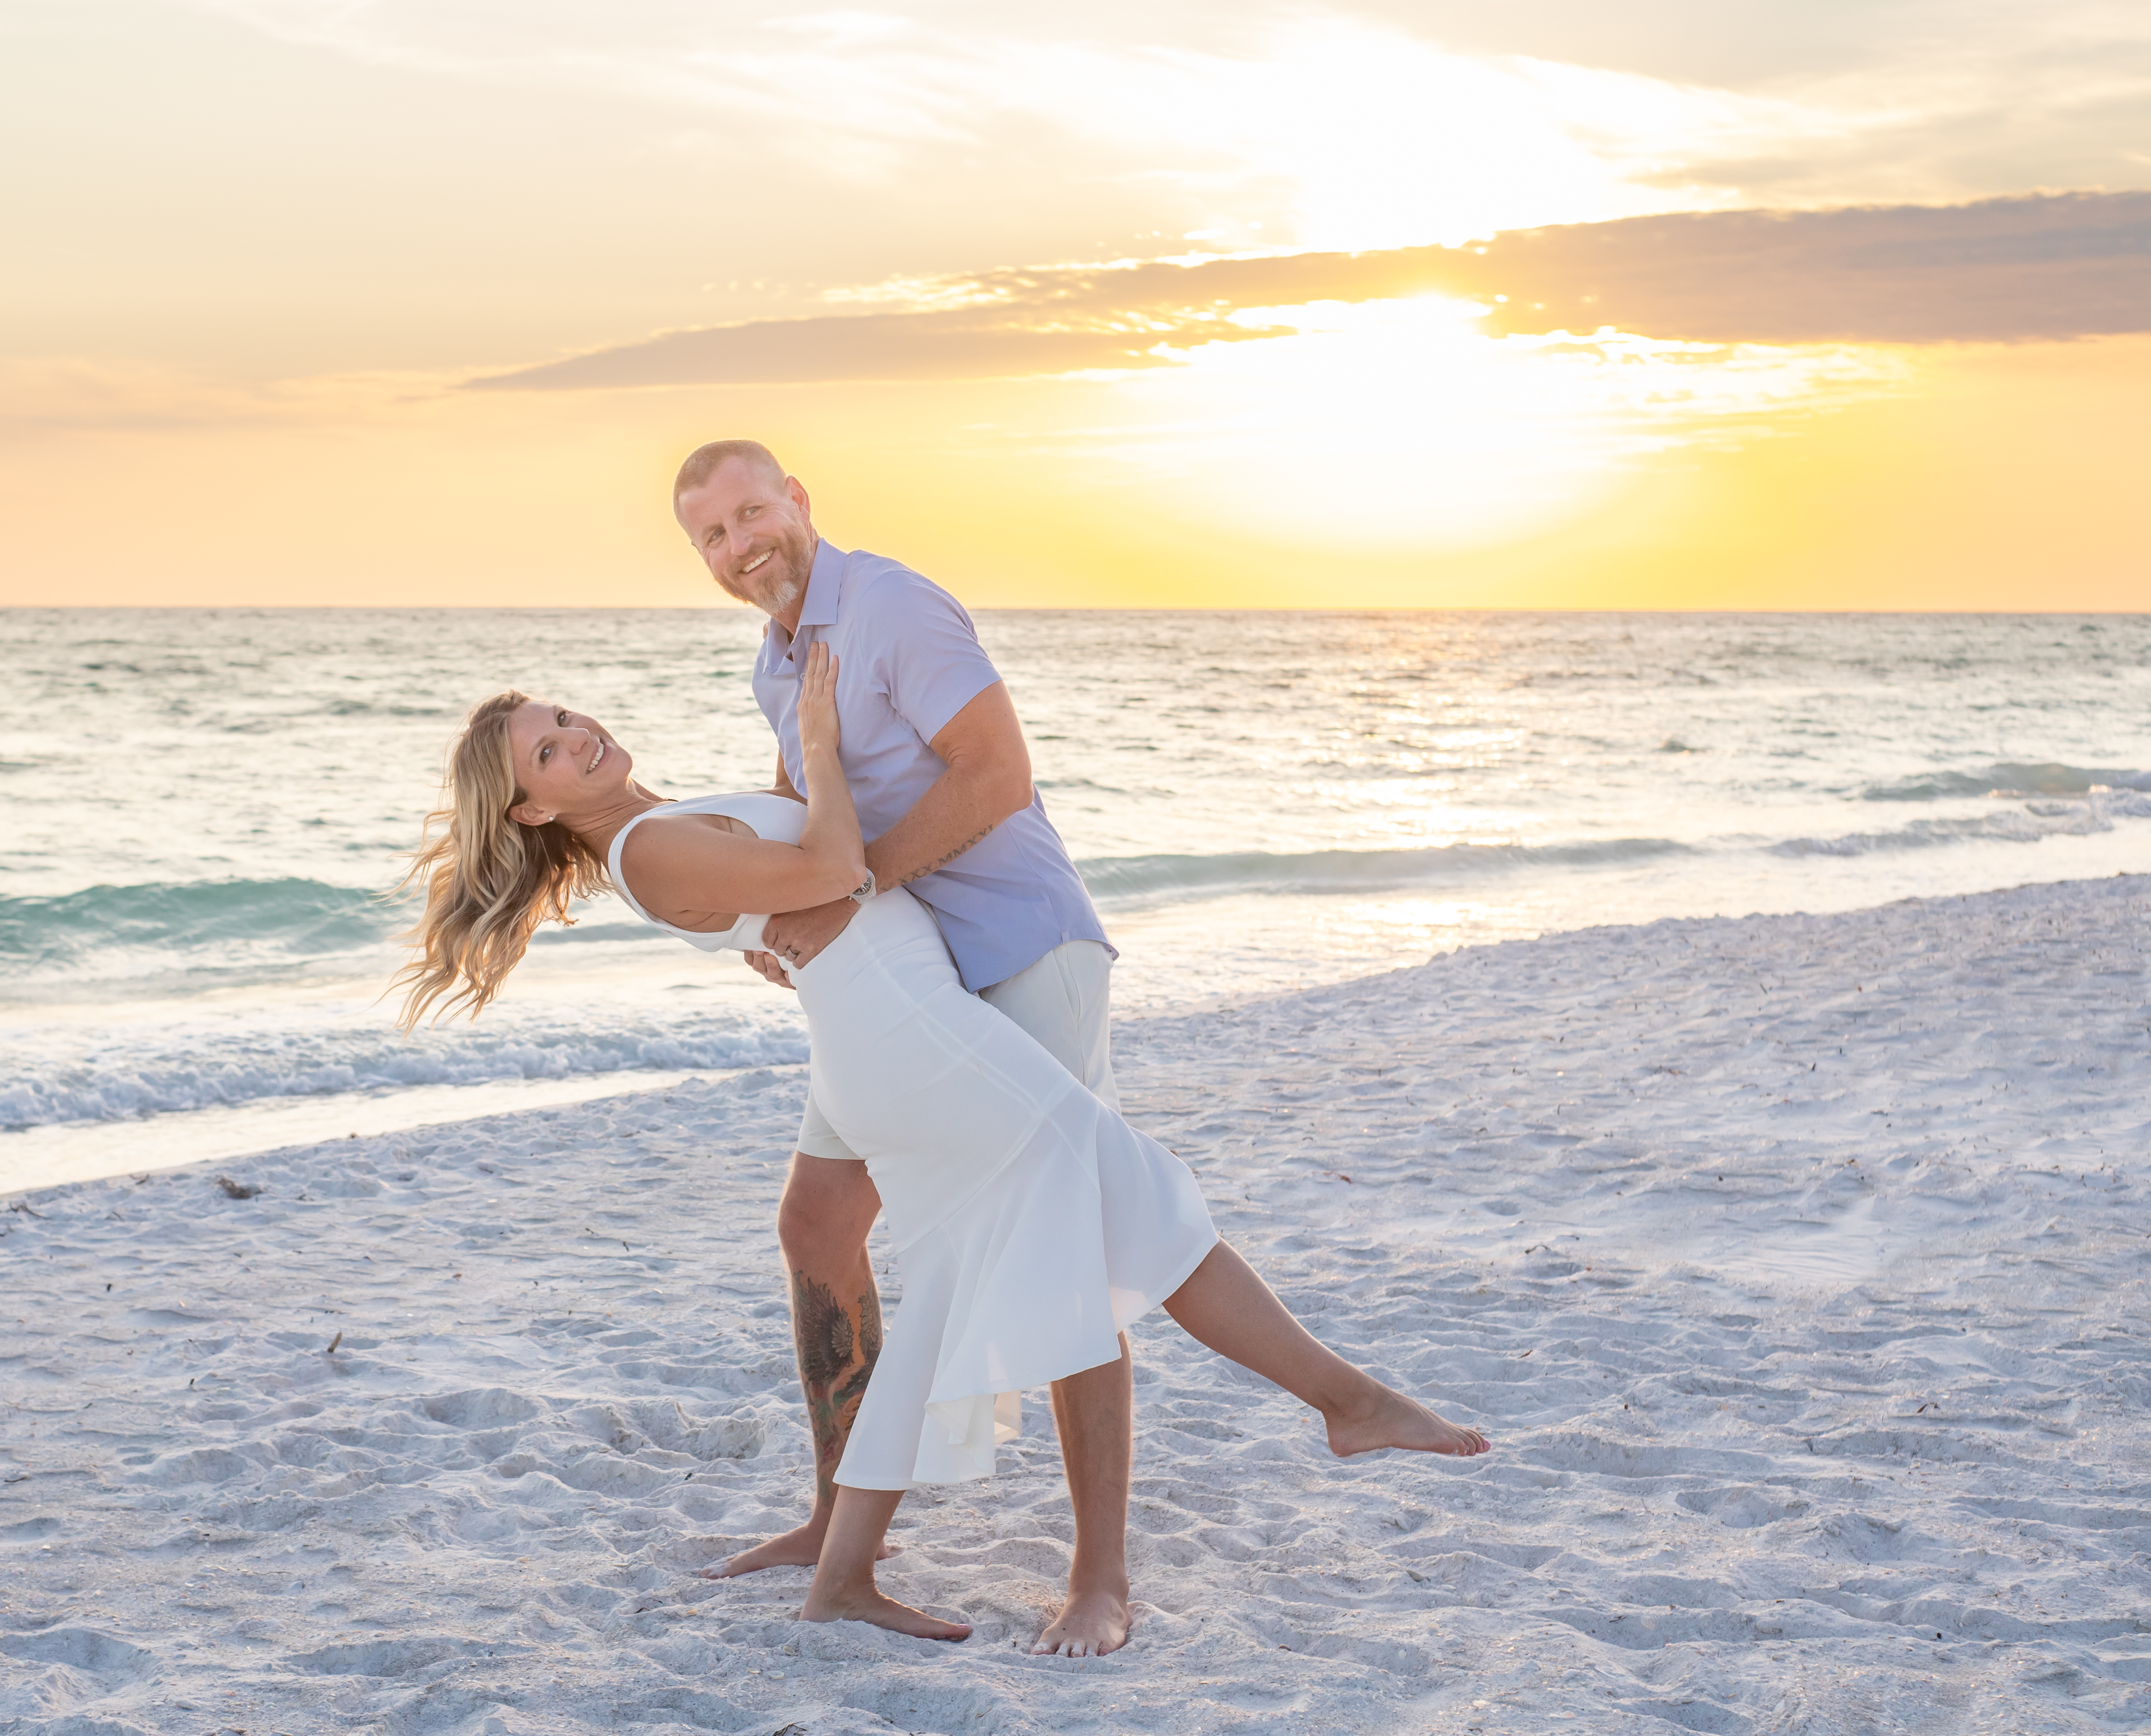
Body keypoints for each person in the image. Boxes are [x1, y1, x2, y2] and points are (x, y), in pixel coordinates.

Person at [390, 653, 1491, 1649]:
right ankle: (1345, 1401)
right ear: (534, 806)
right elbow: (834, 861)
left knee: (1015, 1248)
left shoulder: (653, 823)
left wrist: (795, 777)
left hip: (905, 1031)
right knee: (1126, 1190)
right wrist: (818, 741)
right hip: (912, 1041)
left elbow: (801, 878)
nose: (577, 733)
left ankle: (846, 1570)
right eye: (549, 748)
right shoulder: (645, 843)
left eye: (566, 712)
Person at [668, 439, 1141, 1652]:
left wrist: (851, 891)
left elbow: (996, 776)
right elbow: (802, 817)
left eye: (752, 513)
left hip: (1022, 949)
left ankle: (1099, 1581)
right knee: (818, 1221)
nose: (740, 546)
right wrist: (777, 917)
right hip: (904, 975)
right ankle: (839, 1530)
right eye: (712, 536)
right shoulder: (776, 662)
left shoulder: (890, 604)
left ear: (799, 502)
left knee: (1059, 1243)